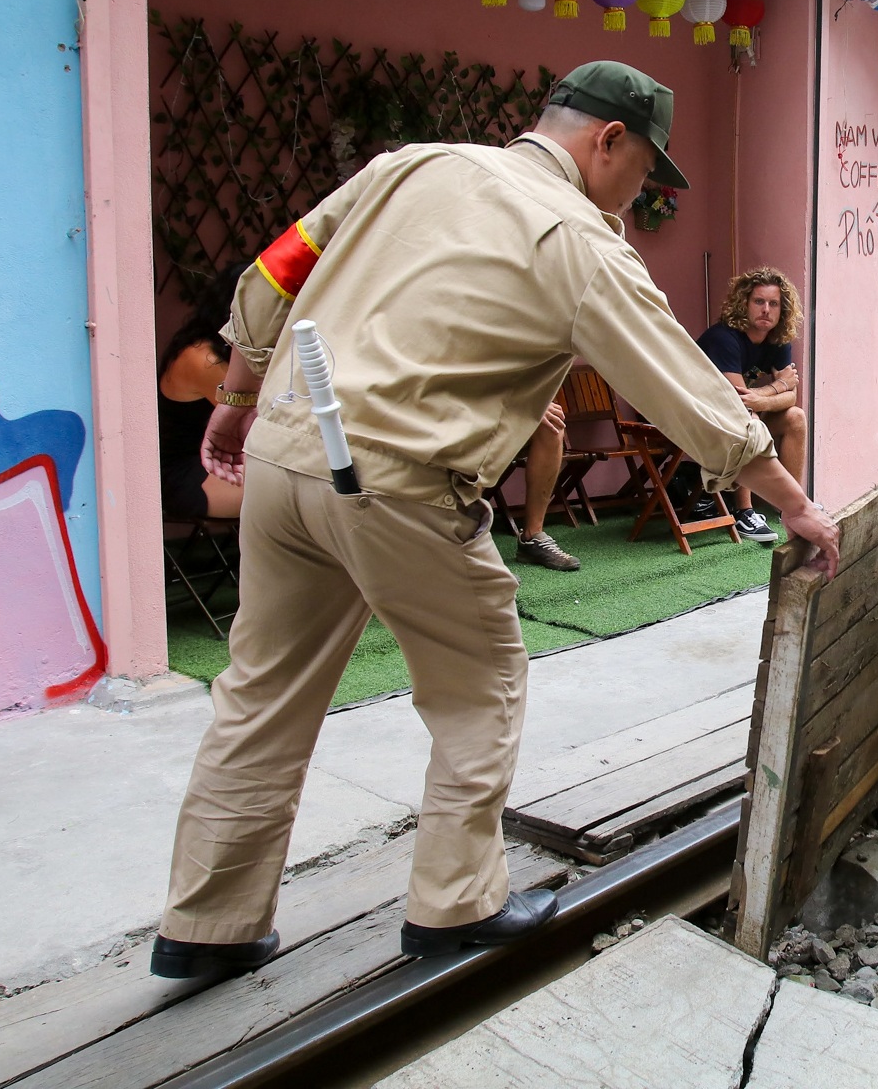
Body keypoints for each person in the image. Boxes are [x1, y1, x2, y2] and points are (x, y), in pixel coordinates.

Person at [150, 61, 840, 982]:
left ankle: (206, 926)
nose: (640, 194)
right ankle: (456, 903)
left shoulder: (411, 164)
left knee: (261, 694)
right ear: (609, 141)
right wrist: (790, 498)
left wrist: (235, 396)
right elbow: (679, 383)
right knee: (480, 684)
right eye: (646, 171)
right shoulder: (576, 236)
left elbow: (277, 271)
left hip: (283, 455)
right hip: (398, 480)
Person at [691, 267, 807, 542]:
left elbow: (791, 398)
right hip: (695, 417)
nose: (766, 310)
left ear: (782, 309)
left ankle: (792, 505)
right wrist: (774, 388)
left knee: (795, 417)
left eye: (774, 303)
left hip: (735, 414)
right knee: (749, 417)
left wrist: (763, 395)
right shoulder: (724, 337)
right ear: (744, 304)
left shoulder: (778, 340)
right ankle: (744, 511)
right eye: (759, 302)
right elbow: (739, 400)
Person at [158, 264, 249, 521]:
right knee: (294, 487)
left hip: (224, 462)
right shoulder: (202, 357)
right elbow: (260, 415)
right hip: (189, 475)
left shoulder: (228, 350)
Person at [510, 404, 581, 571]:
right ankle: (472, 547)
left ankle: (532, 537)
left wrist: (535, 402)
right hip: (464, 409)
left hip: (507, 406)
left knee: (551, 426)